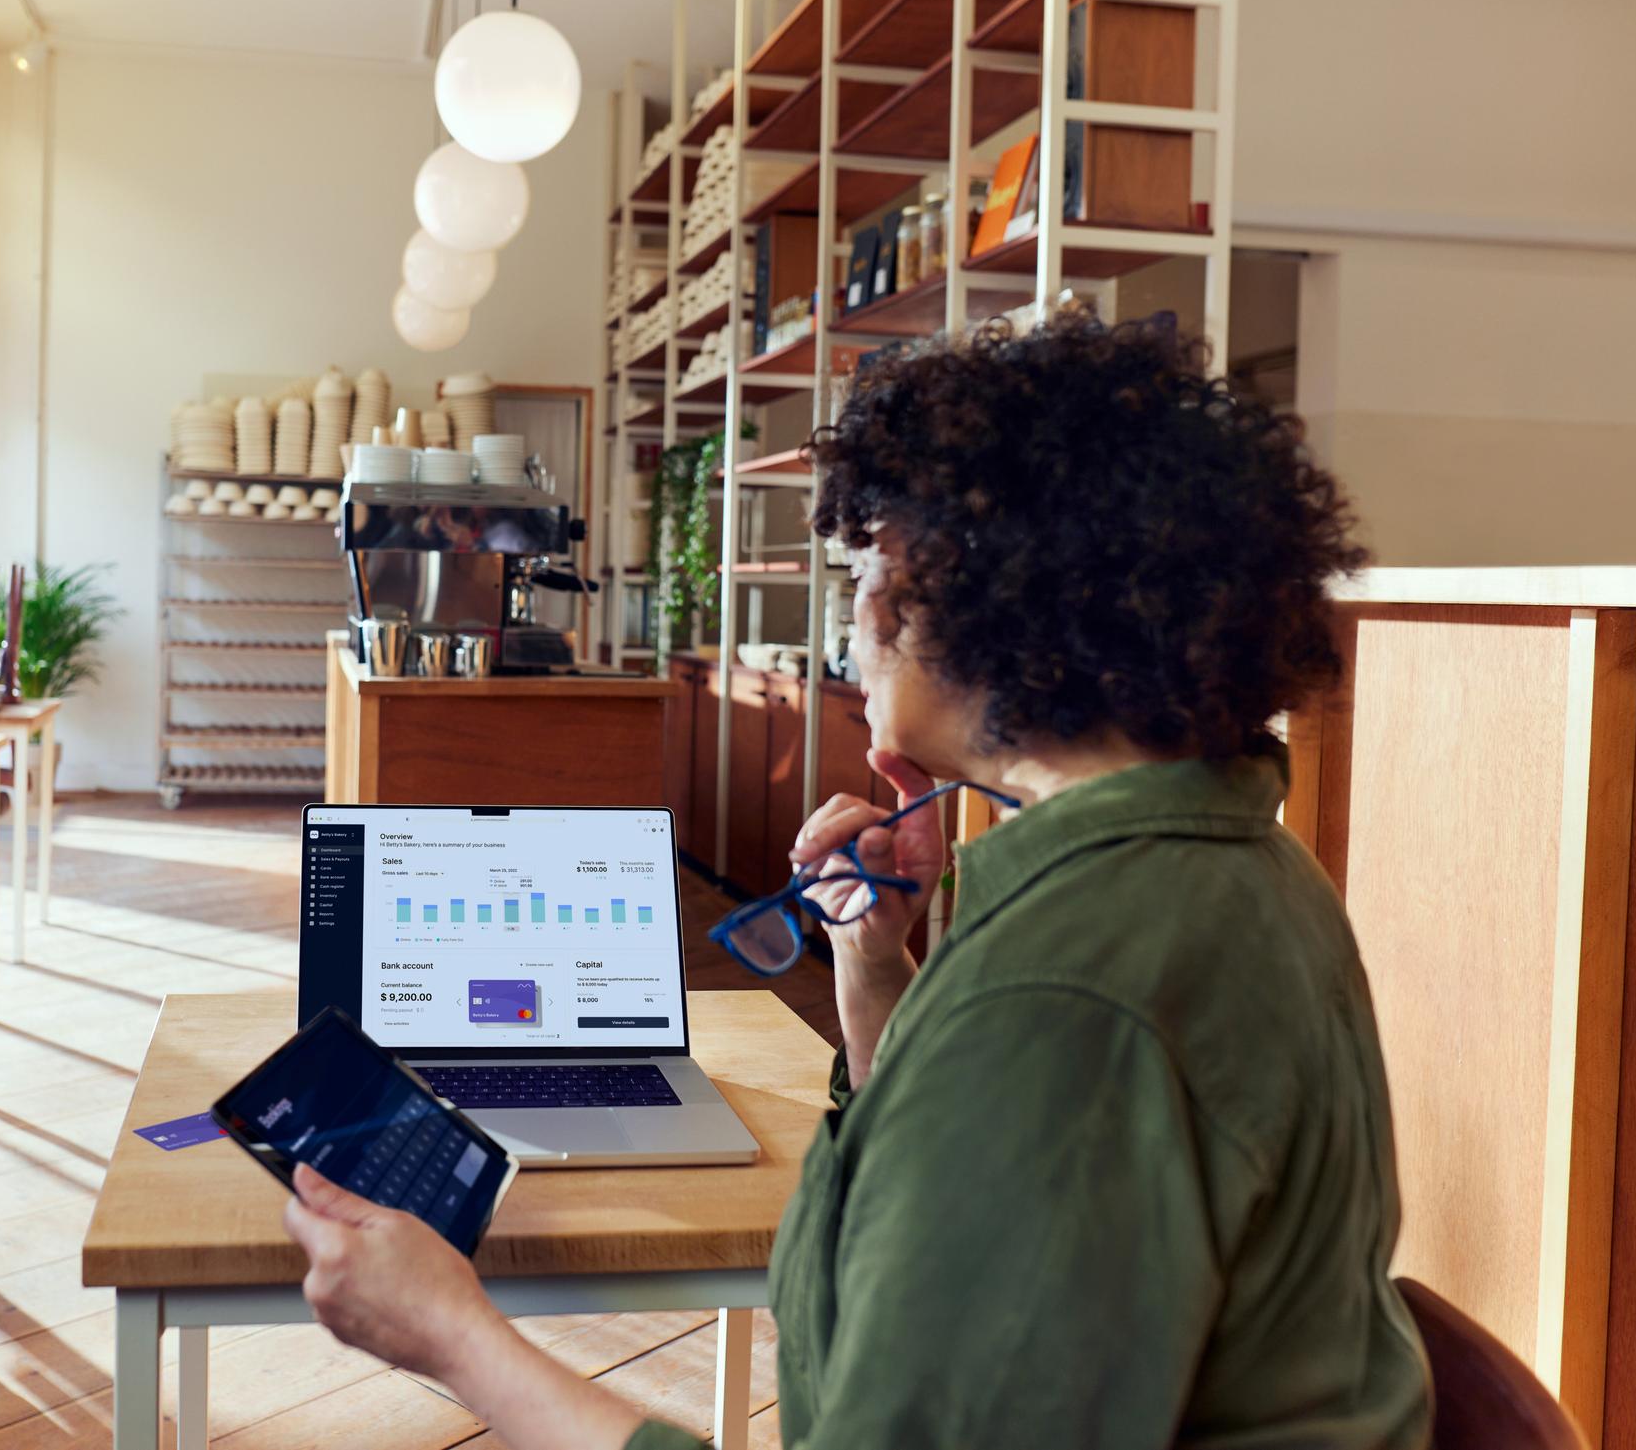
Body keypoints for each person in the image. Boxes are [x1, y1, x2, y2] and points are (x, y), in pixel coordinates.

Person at [281, 311, 1434, 1449]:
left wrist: (453, 1333)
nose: (853, 619)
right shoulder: (1248, 870)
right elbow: (978, 1210)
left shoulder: (1060, 999)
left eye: (865, 568)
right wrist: (878, 967)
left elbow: (1028, 1101)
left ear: (956, 590)